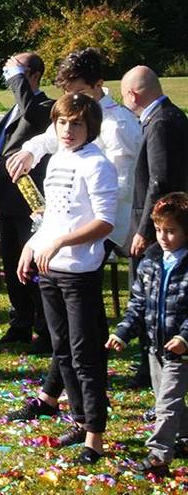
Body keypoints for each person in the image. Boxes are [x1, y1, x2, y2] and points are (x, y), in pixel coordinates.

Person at [4, 48, 141, 420]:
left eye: (79, 89)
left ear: (98, 86)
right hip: (67, 227)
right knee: (70, 333)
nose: (72, 100)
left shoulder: (117, 125)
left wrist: (108, 237)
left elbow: (120, 191)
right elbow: (51, 136)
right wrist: (30, 151)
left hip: (100, 228)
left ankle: (89, 410)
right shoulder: (72, 122)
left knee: (83, 333)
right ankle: (59, 399)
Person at [16, 92, 117, 464]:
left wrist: (60, 242)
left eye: (76, 123)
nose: (68, 130)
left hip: (79, 273)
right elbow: (53, 215)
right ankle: (78, 419)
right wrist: (34, 243)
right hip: (50, 268)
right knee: (61, 348)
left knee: (85, 353)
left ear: (90, 126)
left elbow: (105, 222)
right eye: (62, 122)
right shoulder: (58, 158)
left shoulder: (97, 164)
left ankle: (95, 436)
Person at [107, 192, 188, 477]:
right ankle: (184, 438)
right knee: (165, 399)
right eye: (158, 230)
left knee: (167, 402)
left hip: (181, 350)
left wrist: (184, 338)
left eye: (171, 231)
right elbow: (138, 304)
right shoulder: (152, 260)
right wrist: (123, 332)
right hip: (156, 346)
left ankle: (158, 456)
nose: (163, 237)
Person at [121, 65, 188, 387]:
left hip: (160, 223)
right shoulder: (170, 115)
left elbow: (159, 180)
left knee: (150, 295)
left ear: (133, 94)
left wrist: (146, 228)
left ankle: (149, 368)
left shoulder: (160, 122)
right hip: (165, 221)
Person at [0, 52, 54, 351]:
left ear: (35, 75)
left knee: (34, 263)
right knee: (14, 260)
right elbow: (5, 146)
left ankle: (44, 326)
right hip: (6, 195)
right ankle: (21, 322)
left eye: (18, 71)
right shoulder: (14, 110)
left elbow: (31, 114)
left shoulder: (44, 106)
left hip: (31, 199)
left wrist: (17, 76)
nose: (11, 77)